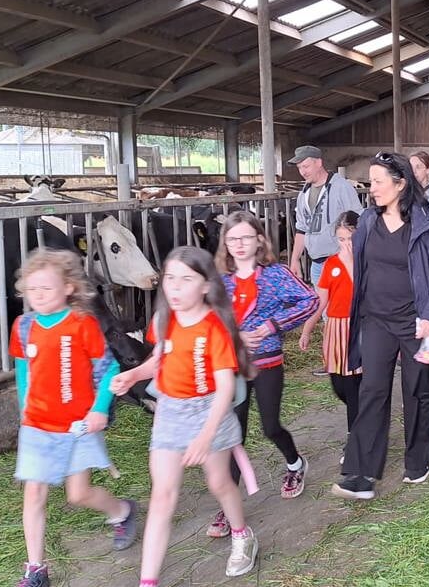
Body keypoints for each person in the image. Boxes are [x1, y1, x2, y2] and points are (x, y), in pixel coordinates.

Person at [111, 247, 258, 583]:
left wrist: (206, 435)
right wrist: (134, 375)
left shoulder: (215, 328)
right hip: (170, 410)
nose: (174, 288)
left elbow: (224, 389)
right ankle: (148, 580)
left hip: (210, 411)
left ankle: (241, 533)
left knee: (219, 482)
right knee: (162, 495)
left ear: (206, 286)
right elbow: (161, 360)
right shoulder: (166, 319)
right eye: (170, 279)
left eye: (186, 280)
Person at [330, 151, 429, 500]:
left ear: (400, 185)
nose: (373, 189)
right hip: (376, 320)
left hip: (416, 324)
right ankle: (360, 472)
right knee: (372, 390)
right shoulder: (368, 220)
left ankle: (419, 458)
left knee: (417, 390)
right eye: (371, 183)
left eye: (379, 182)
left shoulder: (424, 223)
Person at [11, 249, 137, 587]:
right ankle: (36, 569)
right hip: (37, 424)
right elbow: (23, 369)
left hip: (77, 424)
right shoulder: (23, 326)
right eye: (31, 289)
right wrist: (25, 409)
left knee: (77, 495)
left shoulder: (82, 324)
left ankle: (122, 511)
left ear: (68, 288)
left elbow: (108, 367)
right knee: (34, 494)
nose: (37, 296)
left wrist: (99, 409)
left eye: (46, 289)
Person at [206, 211, 315, 540]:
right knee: (233, 435)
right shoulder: (219, 280)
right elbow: (206, 318)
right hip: (231, 367)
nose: (239, 245)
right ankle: (229, 506)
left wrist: (272, 325)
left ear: (259, 240)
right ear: (225, 243)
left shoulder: (275, 275)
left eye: (245, 238)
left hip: (267, 362)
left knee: (270, 426)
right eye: (232, 239)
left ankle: (296, 463)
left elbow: (309, 300)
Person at [299, 211, 362, 436]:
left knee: (354, 383)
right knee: (338, 383)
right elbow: (321, 301)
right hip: (335, 328)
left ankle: (355, 435)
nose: (346, 244)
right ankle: (361, 413)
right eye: (341, 239)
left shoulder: (366, 262)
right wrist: (307, 329)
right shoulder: (330, 264)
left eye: (351, 239)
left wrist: (352, 260)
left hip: (358, 327)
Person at [288, 145, 364, 285]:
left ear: (318, 162)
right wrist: (294, 260)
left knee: (340, 305)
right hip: (316, 265)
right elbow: (301, 229)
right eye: (299, 168)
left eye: (306, 166)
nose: (302, 172)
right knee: (322, 306)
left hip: (339, 261)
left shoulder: (341, 187)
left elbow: (357, 222)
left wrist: (352, 260)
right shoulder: (303, 194)